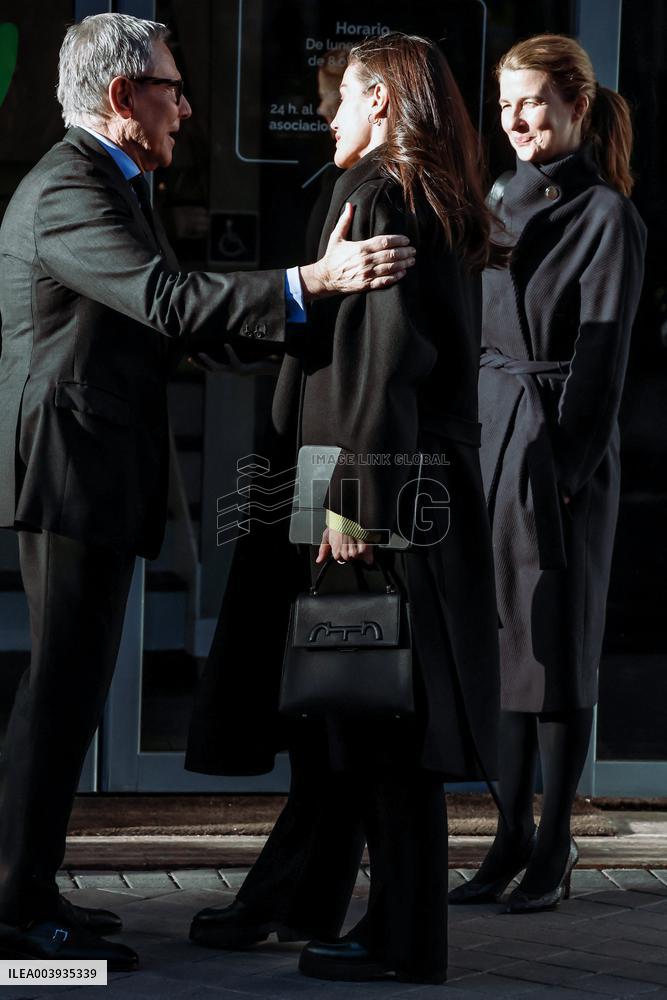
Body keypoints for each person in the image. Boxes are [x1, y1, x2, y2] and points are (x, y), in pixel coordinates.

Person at [0, 12, 416, 970]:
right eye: (172, 87)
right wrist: (310, 280)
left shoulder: (113, 180)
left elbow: (173, 324)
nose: (186, 106)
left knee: (68, 692)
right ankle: (17, 918)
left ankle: (28, 879)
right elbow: (168, 301)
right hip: (68, 469)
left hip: (93, 467)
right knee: (57, 694)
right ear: (121, 96)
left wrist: (297, 323)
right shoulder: (69, 188)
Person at [186, 33, 501, 984]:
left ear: (382, 102)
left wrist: (348, 506)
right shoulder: (416, 189)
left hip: (368, 491)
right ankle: (301, 900)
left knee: (374, 720)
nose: (326, 117)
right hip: (374, 478)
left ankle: (404, 941)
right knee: (348, 713)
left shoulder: (379, 192)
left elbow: (380, 364)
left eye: (340, 98)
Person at [449, 34, 646, 914]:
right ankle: (504, 839)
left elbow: (603, 359)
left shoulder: (607, 215)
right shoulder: (492, 197)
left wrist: (563, 472)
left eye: (531, 101)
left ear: (576, 104)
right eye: (504, 105)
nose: (516, 120)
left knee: (555, 650)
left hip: (558, 447)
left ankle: (554, 842)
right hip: (493, 438)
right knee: (502, 646)